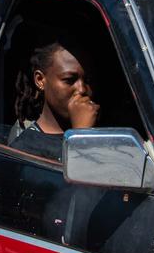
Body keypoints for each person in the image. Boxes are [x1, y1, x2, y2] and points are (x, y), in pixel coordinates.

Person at [9, 31, 100, 161]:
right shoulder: (26, 148)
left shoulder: (102, 133)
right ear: (40, 80)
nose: (82, 89)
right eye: (69, 80)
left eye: (88, 80)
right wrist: (80, 134)